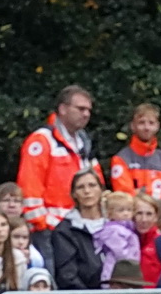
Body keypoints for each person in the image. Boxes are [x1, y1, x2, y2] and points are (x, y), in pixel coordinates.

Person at [18, 84, 101, 230]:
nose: (86, 114)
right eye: (81, 109)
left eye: (88, 110)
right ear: (62, 109)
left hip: (79, 226)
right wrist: (41, 223)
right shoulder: (42, 141)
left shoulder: (84, 144)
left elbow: (97, 185)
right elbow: (29, 187)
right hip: (50, 228)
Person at [39, 169, 108, 291]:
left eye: (92, 185)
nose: (87, 191)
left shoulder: (115, 224)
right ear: (74, 194)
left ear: (101, 189)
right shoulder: (64, 230)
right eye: (80, 187)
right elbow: (67, 275)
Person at [108, 103, 161, 202]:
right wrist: (160, 193)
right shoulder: (121, 159)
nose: (146, 127)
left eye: (151, 123)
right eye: (141, 123)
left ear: (157, 126)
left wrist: (140, 192)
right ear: (133, 126)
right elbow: (124, 196)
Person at [95, 191, 142, 285]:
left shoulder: (128, 229)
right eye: (121, 210)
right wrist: (132, 262)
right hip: (116, 270)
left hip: (128, 270)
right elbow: (121, 252)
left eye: (129, 210)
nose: (126, 213)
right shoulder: (113, 230)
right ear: (110, 214)